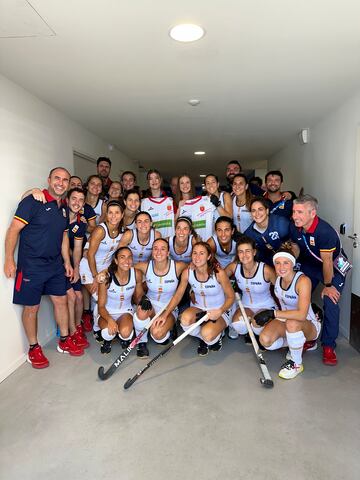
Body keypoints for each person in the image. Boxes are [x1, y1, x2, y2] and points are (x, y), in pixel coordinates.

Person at [4, 167, 84, 369]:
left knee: (61, 300)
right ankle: (33, 348)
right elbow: (13, 230)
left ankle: (64, 340)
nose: (61, 182)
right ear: (49, 180)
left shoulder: (64, 207)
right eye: (57, 178)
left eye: (65, 180)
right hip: (31, 265)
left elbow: (64, 236)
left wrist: (66, 262)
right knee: (32, 307)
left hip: (55, 265)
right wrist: (8, 259)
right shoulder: (33, 201)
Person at [289, 194, 347, 366]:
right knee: (299, 295)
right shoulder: (295, 226)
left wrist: (328, 286)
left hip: (333, 268)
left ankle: (329, 346)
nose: (295, 216)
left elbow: (327, 262)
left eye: (300, 212)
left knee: (330, 300)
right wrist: (293, 266)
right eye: (293, 211)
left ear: (312, 213)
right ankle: (309, 335)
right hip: (310, 265)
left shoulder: (325, 231)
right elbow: (296, 248)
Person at [158, 242, 235, 356]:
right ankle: (205, 337)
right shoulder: (188, 272)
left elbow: (231, 297)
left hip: (218, 310)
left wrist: (220, 311)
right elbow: (178, 295)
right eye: (194, 253)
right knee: (184, 320)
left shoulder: (219, 273)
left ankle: (216, 333)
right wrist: (165, 314)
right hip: (199, 308)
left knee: (208, 334)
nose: (197, 257)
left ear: (209, 256)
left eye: (201, 253)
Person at [258, 250, 321, 379]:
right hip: (285, 319)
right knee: (265, 340)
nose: (281, 267)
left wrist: (273, 313)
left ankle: (297, 364)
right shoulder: (278, 279)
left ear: (293, 264)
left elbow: (302, 315)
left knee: (293, 323)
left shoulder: (303, 281)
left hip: (308, 324)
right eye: (278, 263)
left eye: (286, 263)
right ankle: (296, 344)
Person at [132, 238, 188, 358]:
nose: (159, 252)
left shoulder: (178, 266)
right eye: (155, 249)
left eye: (163, 249)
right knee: (141, 312)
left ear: (168, 253)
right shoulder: (145, 266)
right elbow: (125, 267)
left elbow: (195, 268)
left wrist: (165, 314)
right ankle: (141, 343)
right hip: (151, 304)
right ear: (152, 252)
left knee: (157, 334)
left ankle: (168, 326)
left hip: (169, 307)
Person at [225, 236, 276, 341]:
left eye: (247, 251)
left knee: (257, 325)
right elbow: (218, 279)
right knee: (239, 326)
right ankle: (250, 327)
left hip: (266, 306)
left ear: (254, 252)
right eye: (241, 252)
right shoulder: (234, 267)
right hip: (246, 305)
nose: (244, 255)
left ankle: (254, 328)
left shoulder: (266, 270)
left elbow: (282, 289)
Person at [96, 247, 145, 354]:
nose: (126, 261)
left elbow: (138, 298)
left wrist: (143, 301)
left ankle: (122, 337)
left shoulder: (136, 274)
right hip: (107, 312)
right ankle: (107, 340)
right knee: (108, 333)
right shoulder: (106, 277)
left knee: (126, 333)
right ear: (116, 261)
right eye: (122, 257)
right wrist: (110, 320)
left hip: (125, 311)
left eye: (129, 257)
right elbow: (100, 307)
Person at [79, 201, 124, 299]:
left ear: (122, 215)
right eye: (110, 212)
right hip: (89, 268)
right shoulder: (100, 230)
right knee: (99, 298)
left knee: (111, 297)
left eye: (117, 212)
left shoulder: (123, 231)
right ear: (106, 214)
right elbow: (90, 254)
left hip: (105, 269)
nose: (113, 216)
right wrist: (95, 276)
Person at [65, 188, 89, 349]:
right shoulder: (58, 215)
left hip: (71, 262)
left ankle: (77, 326)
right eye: (74, 198)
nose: (77, 202)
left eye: (81, 200)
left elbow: (78, 249)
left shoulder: (81, 223)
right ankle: (71, 331)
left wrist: (76, 268)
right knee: (72, 297)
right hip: (55, 262)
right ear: (67, 200)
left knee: (79, 296)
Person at [244, 197, 290, 265]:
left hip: (289, 259)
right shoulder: (248, 234)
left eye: (260, 209)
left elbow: (295, 241)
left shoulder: (281, 223)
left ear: (267, 211)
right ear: (251, 214)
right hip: (268, 264)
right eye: (253, 210)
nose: (257, 213)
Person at [141, 171, 175, 237]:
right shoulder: (144, 202)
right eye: (151, 179)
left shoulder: (170, 199)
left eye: (156, 178)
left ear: (160, 180)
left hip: (169, 240)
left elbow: (176, 219)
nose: (154, 181)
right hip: (151, 240)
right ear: (148, 182)